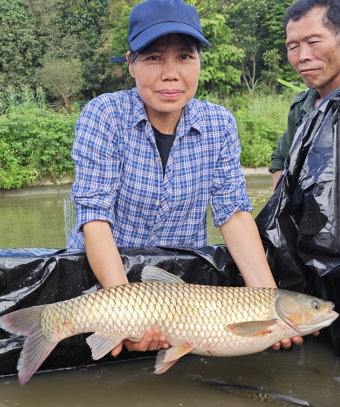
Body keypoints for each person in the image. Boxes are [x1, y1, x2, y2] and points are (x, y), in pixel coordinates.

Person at [66, 0, 301, 357]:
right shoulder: (104, 115)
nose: (170, 73)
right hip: (102, 283)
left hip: (179, 293)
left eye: (184, 57)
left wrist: (272, 306)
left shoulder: (219, 124)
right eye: (154, 58)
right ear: (131, 64)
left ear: (199, 63)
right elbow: (95, 218)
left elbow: (233, 214)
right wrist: (127, 315)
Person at [269, 0, 340, 190]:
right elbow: (280, 160)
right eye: (293, 46)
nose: (302, 56)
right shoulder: (302, 107)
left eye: (314, 42)